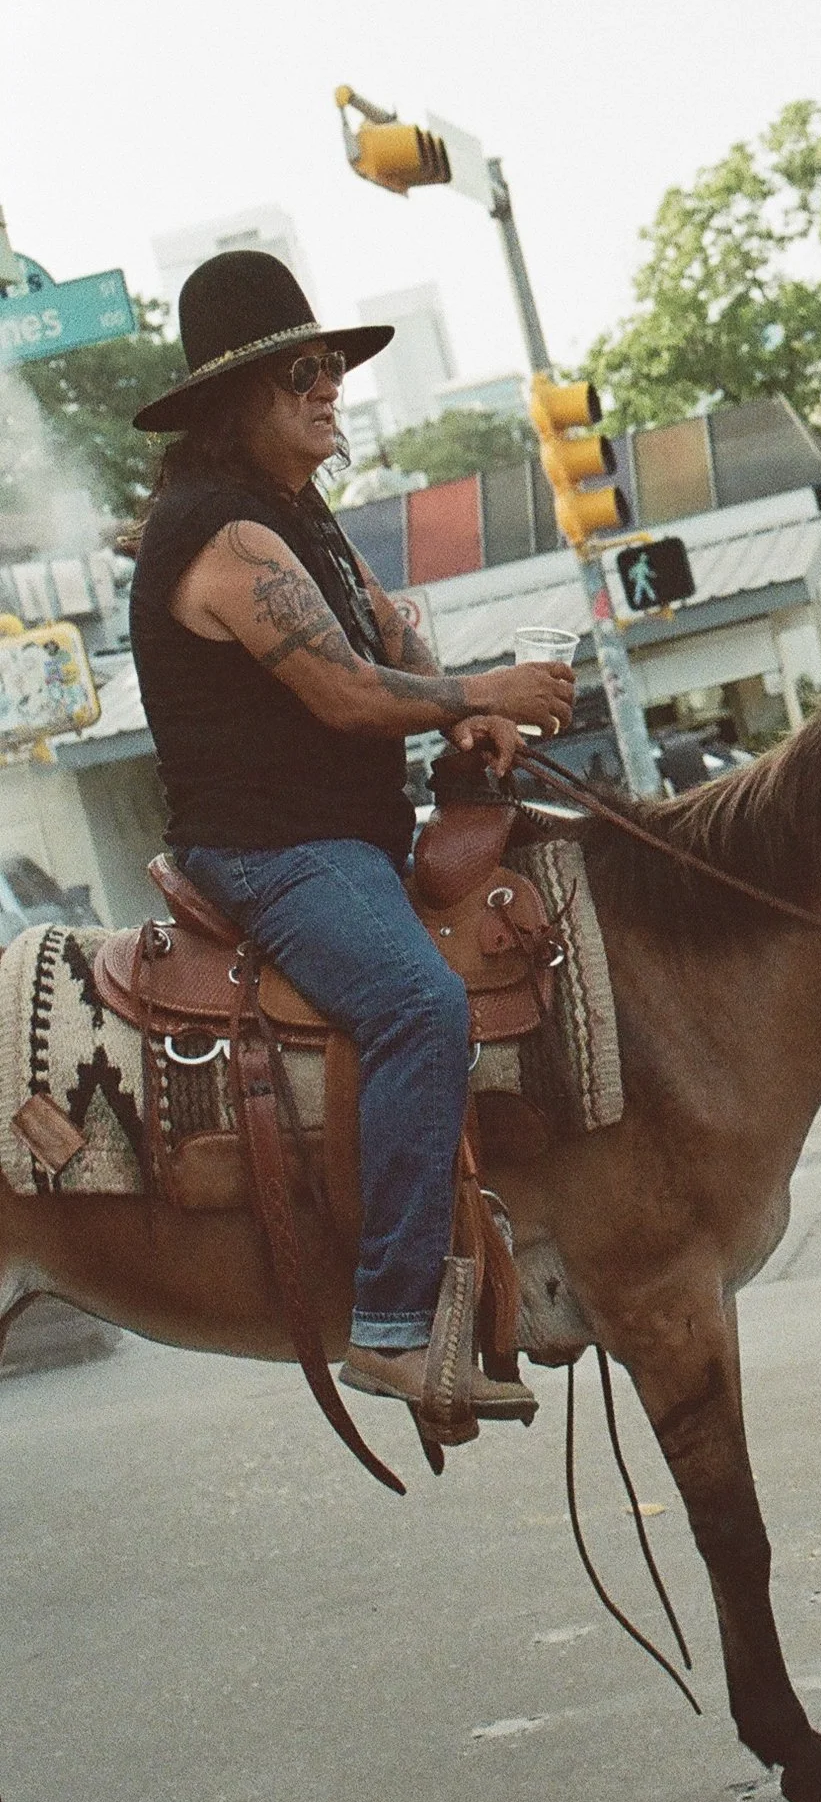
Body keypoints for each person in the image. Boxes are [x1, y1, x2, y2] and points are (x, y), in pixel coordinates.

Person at [128, 252, 576, 1434]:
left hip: (349, 834)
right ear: (240, 398)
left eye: (331, 366)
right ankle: (386, 1323)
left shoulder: (297, 511)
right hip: (274, 849)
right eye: (305, 372)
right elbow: (337, 690)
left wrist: (456, 697)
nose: (330, 388)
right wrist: (490, 684)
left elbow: (384, 627)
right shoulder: (220, 535)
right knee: (420, 1005)